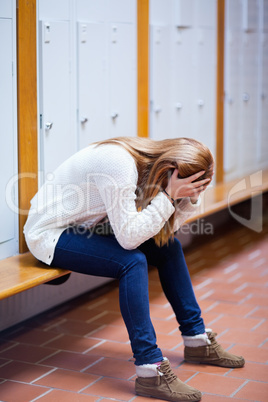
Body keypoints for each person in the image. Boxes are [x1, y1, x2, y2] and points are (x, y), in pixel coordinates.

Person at [24, 137, 245, 402]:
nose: (191, 194)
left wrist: (188, 198)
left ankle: (197, 341)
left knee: (169, 247)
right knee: (132, 262)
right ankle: (150, 370)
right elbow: (129, 239)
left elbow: (167, 231)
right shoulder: (119, 165)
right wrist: (169, 196)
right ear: (169, 171)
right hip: (50, 232)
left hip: (87, 227)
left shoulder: (146, 165)